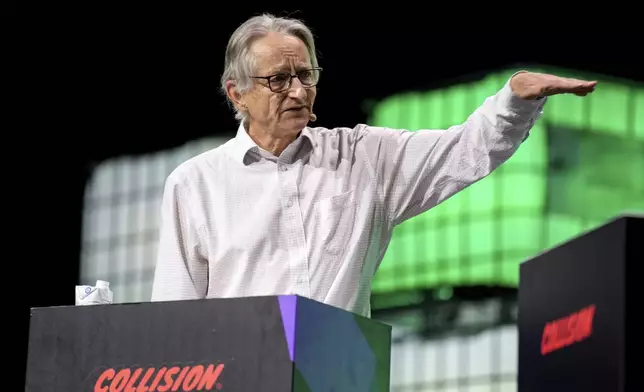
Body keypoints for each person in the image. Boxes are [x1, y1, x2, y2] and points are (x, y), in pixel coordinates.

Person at [150, 13, 596, 317]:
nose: (300, 91)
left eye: (306, 75)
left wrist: (513, 100)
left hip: (338, 374)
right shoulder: (194, 184)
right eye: (279, 80)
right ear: (236, 93)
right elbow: (173, 314)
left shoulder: (364, 158)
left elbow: (463, 150)